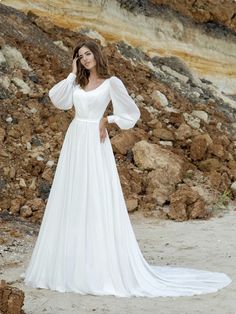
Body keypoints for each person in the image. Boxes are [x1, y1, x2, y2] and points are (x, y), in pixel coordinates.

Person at [21, 40, 231, 297]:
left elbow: (132, 113)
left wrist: (107, 119)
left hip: (95, 143)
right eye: (80, 56)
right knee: (71, 197)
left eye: (88, 54)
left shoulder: (112, 82)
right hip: (75, 139)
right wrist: (72, 73)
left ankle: (97, 267)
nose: (85, 58)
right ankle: (66, 265)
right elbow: (58, 100)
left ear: (97, 54)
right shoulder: (75, 82)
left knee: (96, 198)